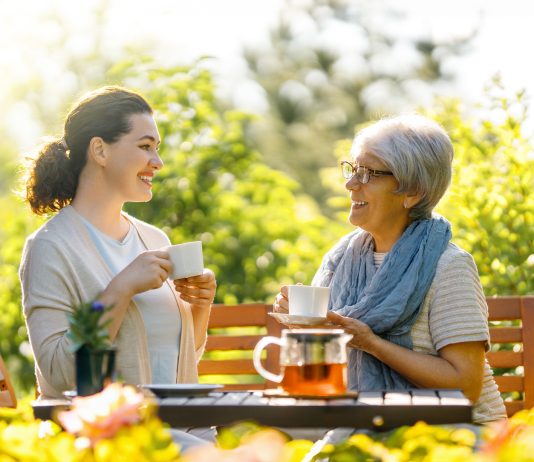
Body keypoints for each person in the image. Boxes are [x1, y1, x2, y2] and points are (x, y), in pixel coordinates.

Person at [274, 115, 506, 423]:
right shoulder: (341, 258)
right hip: (367, 421)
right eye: (352, 169)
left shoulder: (449, 266)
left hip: (456, 434)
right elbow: (325, 362)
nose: (350, 184)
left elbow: (466, 386)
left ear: (413, 192)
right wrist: (304, 325)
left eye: (368, 174)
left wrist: (372, 344)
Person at [20, 86, 217, 401]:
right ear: (100, 150)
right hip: (112, 438)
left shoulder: (154, 239)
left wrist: (200, 305)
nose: (158, 162)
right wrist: (119, 290)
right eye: (145, 146)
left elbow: (184, 361)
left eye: (157, 148)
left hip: (182, 426)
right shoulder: (50, 248)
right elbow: (59, 375)